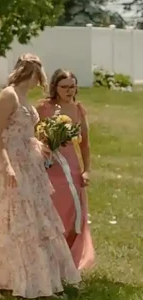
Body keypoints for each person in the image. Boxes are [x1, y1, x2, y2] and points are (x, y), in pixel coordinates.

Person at [0, 54, 81, 298]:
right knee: (16, 218)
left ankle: (38, 280)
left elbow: (24, 131)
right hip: (12, 162)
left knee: (36, 218)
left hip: (29, 162)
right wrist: (7, 166)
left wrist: (40, 144)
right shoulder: (9, 95)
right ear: (33, 73)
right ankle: (12, 278)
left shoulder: (25, 97)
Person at [37, 69, 95, 271]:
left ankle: (71, 254)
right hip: (49, 166)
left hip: (71, 166)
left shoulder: (78, 109)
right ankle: (48, 253)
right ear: (55, 87)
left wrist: (86, 170)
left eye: (73, 86)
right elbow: (33, 135)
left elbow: (85, 144)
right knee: (54, 208)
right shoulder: (44, 107)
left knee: (72, 208)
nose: (69, 90)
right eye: (65, 87)